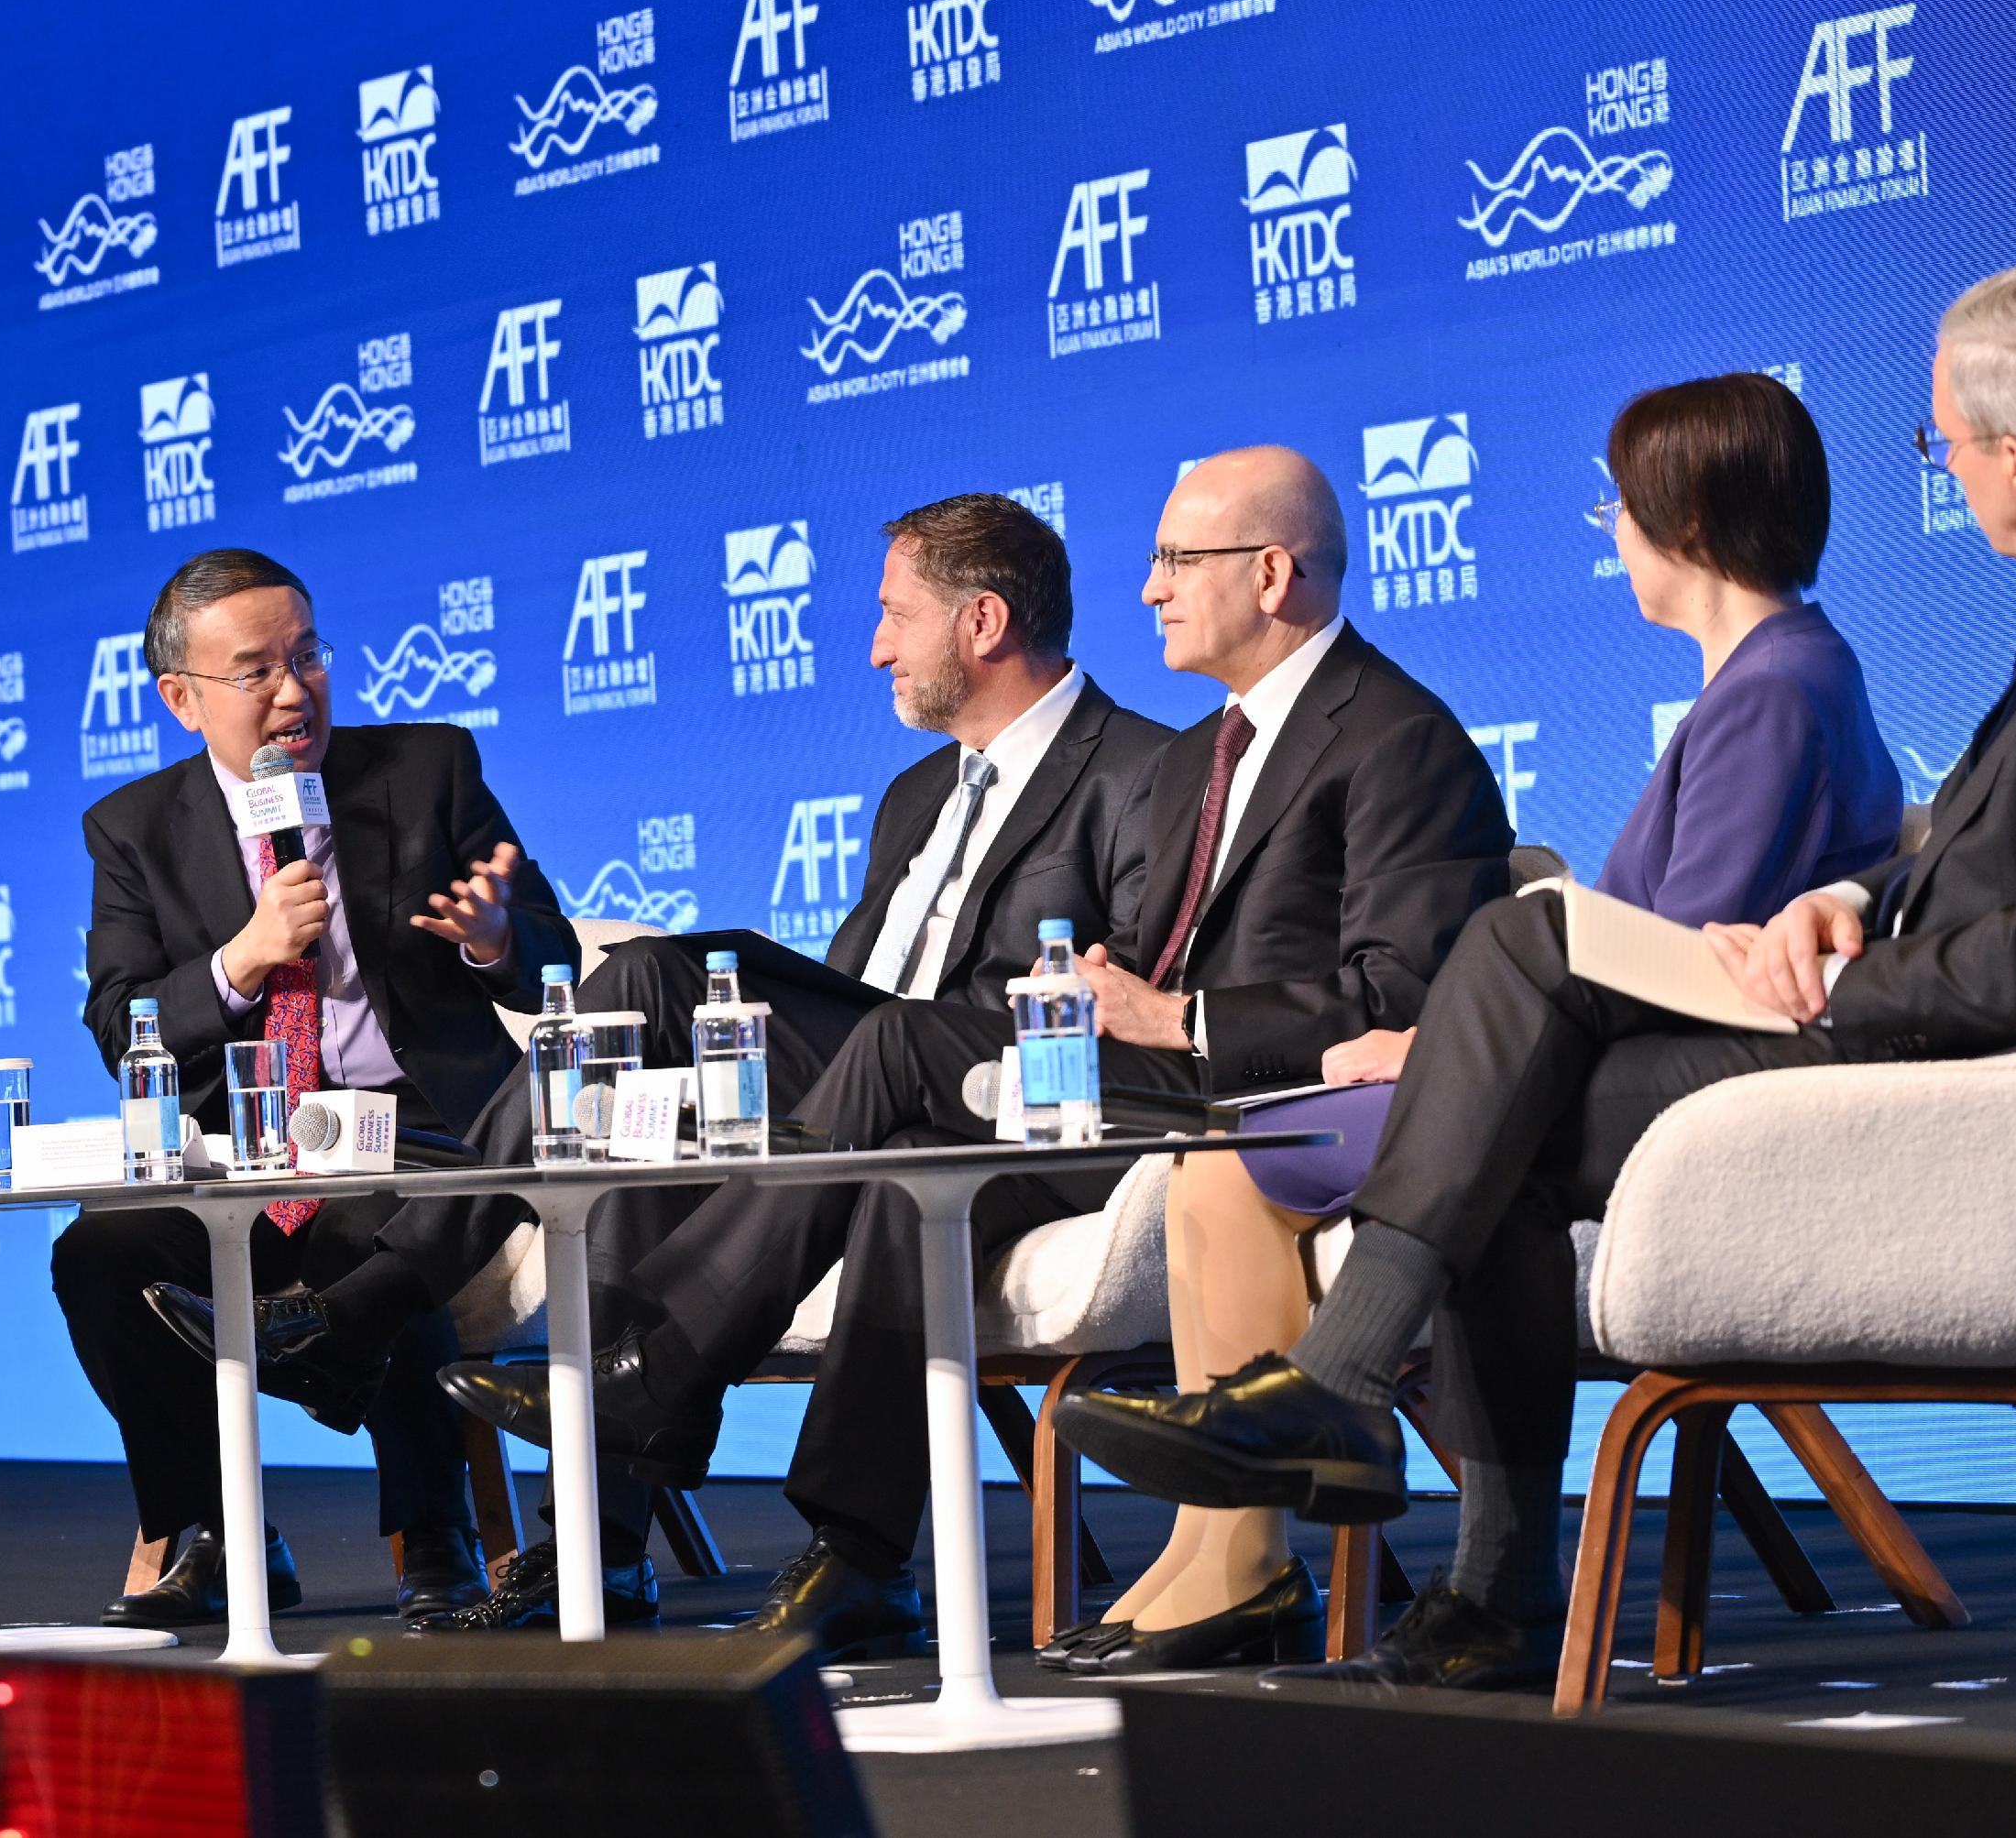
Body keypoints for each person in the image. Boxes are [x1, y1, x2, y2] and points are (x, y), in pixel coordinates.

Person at [1057, 259, 2016, 1694]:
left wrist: (1838, 983)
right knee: (1504, 1078)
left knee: (1518, 978)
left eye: (1948, 447)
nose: (1950, 474)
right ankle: (1464, 1554)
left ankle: (1376, 1432)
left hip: (1952, 1080)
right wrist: (1852, 902)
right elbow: (1982, 855)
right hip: (1894, 1021)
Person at [443, 445, 1514, 1663]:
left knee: (901, 1044)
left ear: (1270, 574)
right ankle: (854, 1550)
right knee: (898, 1144)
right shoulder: (1204, 753)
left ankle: (658, 1366)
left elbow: (1407, 1001)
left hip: (1254, 1103)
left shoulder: (1395, 738)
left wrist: (1177, 1021)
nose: (1151, 587)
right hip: (1122, 1084)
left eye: (1177, 560)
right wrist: (1120, 1001)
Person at [154, 493, 1170, 1630]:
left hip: (1008, 1099)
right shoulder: (919, 793)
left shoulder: (1144, 773)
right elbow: (853, 994)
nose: (877, 644)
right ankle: (599, 1548)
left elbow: (1133, 1013)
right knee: (632, 1027)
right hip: (865, 1076)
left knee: (690, 1012)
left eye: (895, 616)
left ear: (981, 623)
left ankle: (435, 1340)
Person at [1051, 372, 1903, 1677]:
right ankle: (1460, 1571)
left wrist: (1459, 1042)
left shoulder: (1779, 687)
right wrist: (1465, 1041)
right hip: (1658, 1069)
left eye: (1619, 504)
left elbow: (1685, 962)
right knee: (1306, 1158)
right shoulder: (1763, 680)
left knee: (1423, 1099)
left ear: (1683, 518)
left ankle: (1335, 1423)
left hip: (1727, 1095)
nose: (1608, 528)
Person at [50, 548, 575, 1627]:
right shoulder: (134, 831)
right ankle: (210, 1533)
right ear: (182, 699)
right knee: (99, 1255)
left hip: (420, 1135)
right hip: (242, 1152)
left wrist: (488, 942)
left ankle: (436, 1533)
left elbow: (548, 944)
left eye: (308, 656)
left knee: (365, 1233)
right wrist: (240, 960)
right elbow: (122, 1027)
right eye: (256, 672)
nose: (294, 692)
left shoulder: (426, 772)